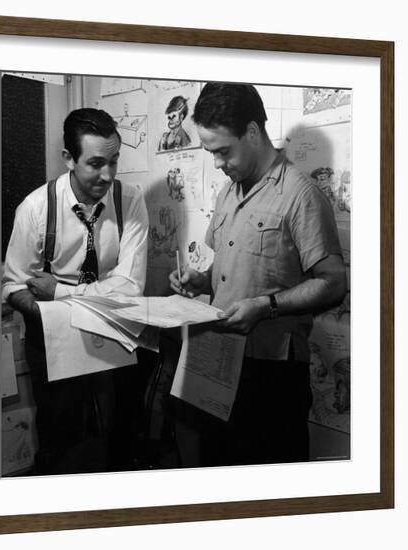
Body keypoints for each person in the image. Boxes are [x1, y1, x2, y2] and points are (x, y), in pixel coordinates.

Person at [169, 83, 347, 466]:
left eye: (222, 151)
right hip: (217, 361)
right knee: (219, 469)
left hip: (273, 375)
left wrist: (265, 306)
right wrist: (200, 280)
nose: (217, 163)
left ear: (252, 131)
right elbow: (231, 266)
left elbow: (333, 283)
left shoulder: (301, 195)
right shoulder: (228, 193)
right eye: (210, 152)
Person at [2, 108, 150, 474]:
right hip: (51, 339)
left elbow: (131, 287)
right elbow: (14, 285)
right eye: (96, 163)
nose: (109, 174)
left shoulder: (129, 201)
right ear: (68, 158)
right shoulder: (35, 209)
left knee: (118, 439)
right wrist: (46, 313)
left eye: (115, 160)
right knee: (59, 441)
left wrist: (60, 295)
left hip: (113, 335)